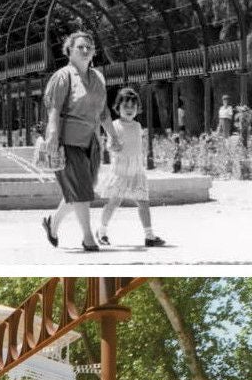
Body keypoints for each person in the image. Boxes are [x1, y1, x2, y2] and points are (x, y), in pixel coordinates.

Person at [41, 30, 107, 252]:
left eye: (89, 46)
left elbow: (103, 111)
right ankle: (88, 238)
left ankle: (52, 224)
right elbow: (54, 108)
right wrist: (52, 132)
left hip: (91, 142)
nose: (86, 50)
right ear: (69, 50)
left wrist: (114, 136)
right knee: (81, 191)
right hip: (68, 141)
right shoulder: (63, 76)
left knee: (79, 191)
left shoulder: (98, 77)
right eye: (80, 46)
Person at [97, 87, 164, 247]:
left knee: (144, 203)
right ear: (117, 107)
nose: (129, 110)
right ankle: (102, 231)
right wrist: (114, 146)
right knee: (113, 202)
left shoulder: (137, 126)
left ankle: (149, 235)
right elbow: (109, 146)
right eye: (125, 107)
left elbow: (137, 145)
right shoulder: (114, 125)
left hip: (136, 171)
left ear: (137, 109)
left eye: (132, 107)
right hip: (120, 171)